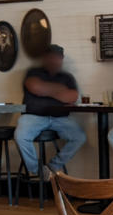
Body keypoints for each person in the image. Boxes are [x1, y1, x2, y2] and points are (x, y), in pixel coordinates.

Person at [14, 44, 86, 179]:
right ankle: (38, 171)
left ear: (62, 58)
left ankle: (52, 166)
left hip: (60, 118)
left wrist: (46, 90)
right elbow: (35, 86)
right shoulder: (33, 72)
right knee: (21, 136)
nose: (53, 60)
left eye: (57, 57)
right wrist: (60, 91)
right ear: (45, 58)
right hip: (33, 116)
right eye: (50, 57)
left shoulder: (67, 77)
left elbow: (73, 96)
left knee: (79, 137)